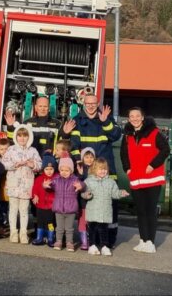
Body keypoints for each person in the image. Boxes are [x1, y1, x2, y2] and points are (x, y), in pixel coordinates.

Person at [63, 94, 122, 250]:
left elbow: (116, 136)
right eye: (88, 103)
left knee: (110, 206)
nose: (90, 106)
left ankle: (109, 240)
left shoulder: (105, 117)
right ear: (83, 104)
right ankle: (89, 239)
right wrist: (79, 163)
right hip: (86, 172)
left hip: (106, 171)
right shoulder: (77, 120)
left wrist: (106, 122)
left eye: (93, 103)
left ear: (98, 104)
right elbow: (74, 146)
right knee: (86, 206)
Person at [120, 107, 170, 254]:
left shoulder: (154, 133)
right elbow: (124, 154)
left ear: (142, 117)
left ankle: (150, 242)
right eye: (131, 116)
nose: (134, 118)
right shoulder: (127, 135)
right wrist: (127, 169)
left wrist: (152, 165)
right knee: (140, 211)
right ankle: (143, 240)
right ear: (129, 119)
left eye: (137, 116)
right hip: (136, 179)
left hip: (152, 178)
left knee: (150, 211)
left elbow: (165, 150)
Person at [1, 124, 42, 244]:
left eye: (25, 136)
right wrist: (14, 165)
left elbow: (39, 165)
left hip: (26, 186)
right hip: (13, 184)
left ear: (29, 137)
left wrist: (32, 165)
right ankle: (14, 232)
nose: (22, 138)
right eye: (19, 136)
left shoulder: (33, 151)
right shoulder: (11, 149)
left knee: (24, 210)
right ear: (16, 137)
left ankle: (23, 233)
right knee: (13, 210)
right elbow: (4, 164)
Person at [80, 159, 129, 256]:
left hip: (105, 211)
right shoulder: (88, 181)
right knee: (92, 229)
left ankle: (104, 246)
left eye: (105, 169)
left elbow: (115, 194)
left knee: (104, 230)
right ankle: (92, 245)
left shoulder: (111, 182)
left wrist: (121, 193)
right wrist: (87, 194)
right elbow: (83, 194)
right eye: (100, 169)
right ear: (94, 169)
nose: (103, 171)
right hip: (93, 211)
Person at [49, 157, 82, 251]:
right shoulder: (56, 180)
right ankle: (58, 241)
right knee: (59, 227)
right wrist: (46, 185)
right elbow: (50, 185)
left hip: (70, 209)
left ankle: (69, 242)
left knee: (69, 228)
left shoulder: (75, 179)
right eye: (62, 170)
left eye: (67, 170)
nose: (64, 172)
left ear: (71, 170)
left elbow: (82, 185)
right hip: (58, 208)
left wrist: (81, 186)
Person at [30, 156, 57, 246]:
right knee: (40, 222)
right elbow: (35, 189)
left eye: (51, 169)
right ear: (43, 169)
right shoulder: (39, 179)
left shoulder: (56, 178)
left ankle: (50, 238)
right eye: (47, 169)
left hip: (51, 206)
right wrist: (35, 195)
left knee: (50, 222)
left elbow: (56, 188)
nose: (49, 171)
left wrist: (49, 187)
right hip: (40, 205)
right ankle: (39, 237)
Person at [76, 147, 97, 250]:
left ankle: (92, 240)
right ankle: (84, 241)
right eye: (86, 157)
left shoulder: (96, 169)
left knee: (92, 221)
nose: (89, 159)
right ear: (82, 158)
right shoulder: (80, 169)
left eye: (91, 157)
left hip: (94, 202)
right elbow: (77, 183)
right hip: (83, 201)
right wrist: (80, 175)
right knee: (83, 220)